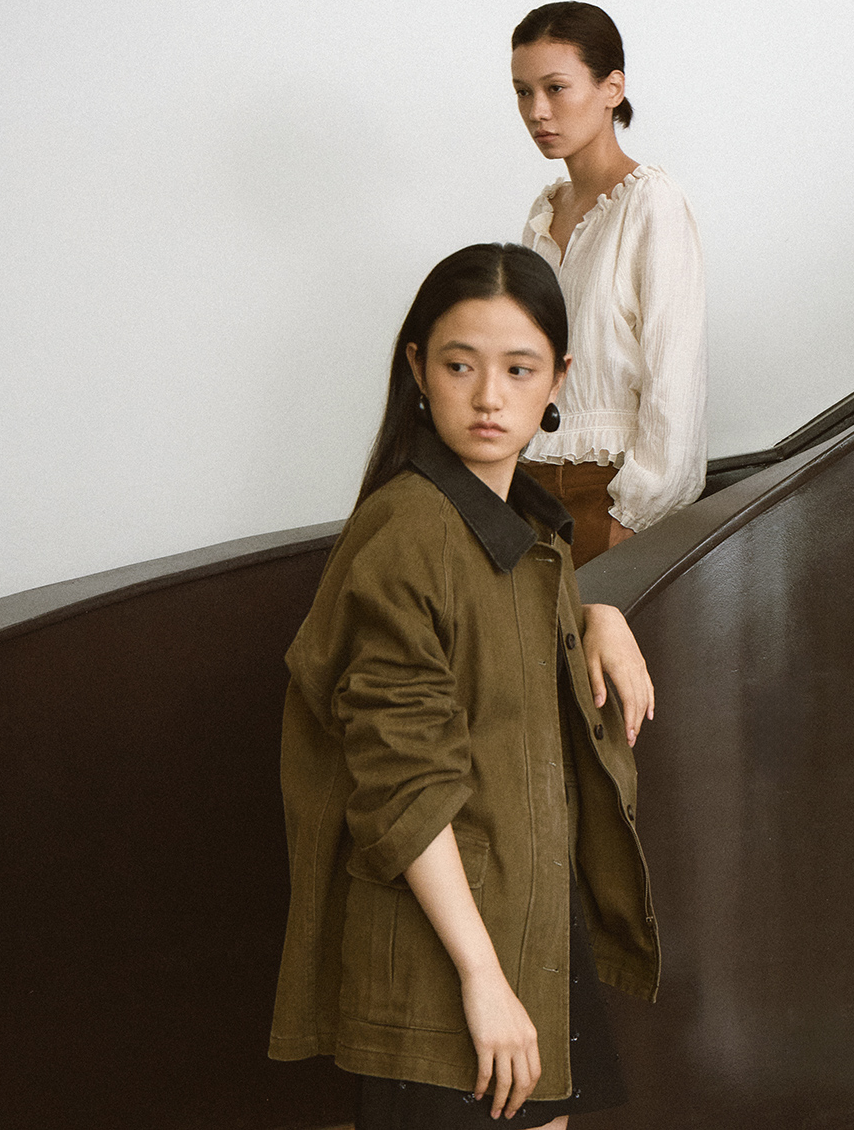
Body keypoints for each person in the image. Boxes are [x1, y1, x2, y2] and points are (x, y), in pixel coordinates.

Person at [269, 244, 660, 1128]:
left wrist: (595, 614)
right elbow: (403, 784)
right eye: (459, 365)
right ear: (418, 368)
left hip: (532, 919)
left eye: (518, 369)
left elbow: (495, 645)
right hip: (448, 952)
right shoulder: (406, 531)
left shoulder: (523, 524)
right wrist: (483, 977)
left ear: (558, 378)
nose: (489, 397)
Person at [511, 1, 707, 567]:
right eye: (523, 92)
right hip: (525, 493)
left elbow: (676, 382)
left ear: (611, 89)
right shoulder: (544, 214)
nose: (537, 111)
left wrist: (627, 523)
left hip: (607, 498)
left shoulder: (652, 203)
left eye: (556, 88)